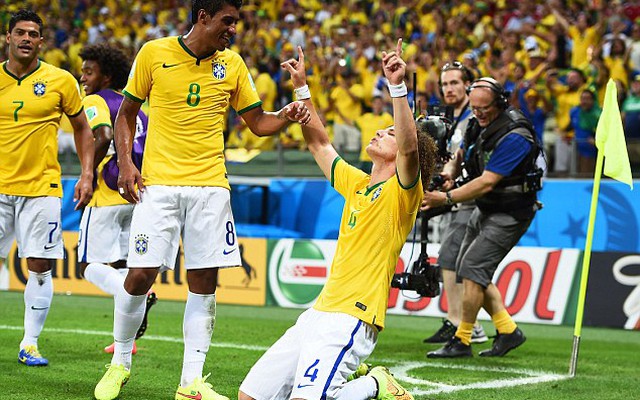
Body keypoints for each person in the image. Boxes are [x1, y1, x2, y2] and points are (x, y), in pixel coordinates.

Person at [93, 1, 311, 400]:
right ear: (203, 17)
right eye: (228, 21)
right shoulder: (154, 53)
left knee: (204, 282)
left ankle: (189, 383)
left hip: (211, 186)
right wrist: (125, 164)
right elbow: (125, 114)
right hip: (157, 185)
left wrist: (287, 114)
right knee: (140, 275)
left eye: (237, 23)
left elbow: (258, 123)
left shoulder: (234, 65)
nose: (234, 29)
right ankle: (120, 363)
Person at [239, 39, 437, 400]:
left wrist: (397, 86)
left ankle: (374, 384)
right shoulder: (359, 184)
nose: (379, 131)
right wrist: (302, 88)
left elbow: (409, 147)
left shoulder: (405, 192)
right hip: (319, 311)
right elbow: (319, 144)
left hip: (353, 317)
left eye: (389, 132)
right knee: (250, 396)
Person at [0, 9, 95, 366]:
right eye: (20, 32)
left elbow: (83, 128)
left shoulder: (61, 81)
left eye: (33, 34)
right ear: (8, 38)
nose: (26, 38)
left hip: (42, 188)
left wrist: (86, 174)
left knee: (39, 265)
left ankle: (30, 343)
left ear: (41, 41)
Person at [423, 77, 541, 359]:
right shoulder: (478, 123)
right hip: (487, 207)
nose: (478, 113)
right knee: (469, 269)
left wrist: (446, 198)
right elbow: (462, 152)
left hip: (510, 212)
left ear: (500, 102)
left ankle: (462, 339)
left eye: (484, 108)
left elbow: (487, 181)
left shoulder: (514, 136)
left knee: (473, 268)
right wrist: (450, 173)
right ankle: (508, 331)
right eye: (474, 108)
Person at [76, 43, 156, 355]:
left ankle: (135, 296)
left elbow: (104, 136)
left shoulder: (95, 100)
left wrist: (87, 174)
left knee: (88, 264)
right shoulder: (137, 107)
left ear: (106, 76)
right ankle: (127, 340)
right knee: (123, 264)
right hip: (135, 194)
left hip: (107, 193)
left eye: (89, 71)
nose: (83, 77)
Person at [423, 61, 488, 345]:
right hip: (454, 194)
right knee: (462, 261)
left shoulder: (475, 119)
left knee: (451, 256)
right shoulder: (446, 118)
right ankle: (467, 322)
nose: (449, 89)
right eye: (445, 84)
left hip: (472, 196)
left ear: (467, 85)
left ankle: (461, 322)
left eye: (454, 83)